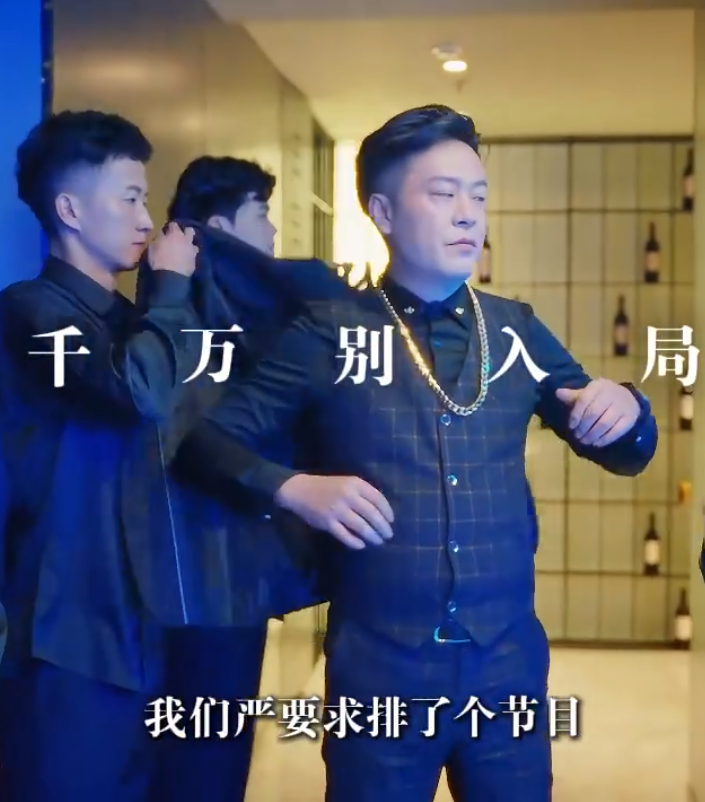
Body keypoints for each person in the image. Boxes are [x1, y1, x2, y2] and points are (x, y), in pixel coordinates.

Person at [178, 105, 658, 802]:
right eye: (442, 194)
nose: (468, 215)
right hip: (378, 672)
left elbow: (622, 450)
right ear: (383, 212)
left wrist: (628, 410)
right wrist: (294, 487)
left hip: (506, 670)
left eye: (478, 196)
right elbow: (203, 444)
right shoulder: (328, 333)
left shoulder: (515, 330)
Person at [144, 155, 359, 802]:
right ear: (217, 227)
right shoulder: (200, 313)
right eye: (260, 214)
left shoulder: (194, 303)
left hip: (206, 573)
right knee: (204, 758)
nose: (271, 232)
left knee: (194, 752)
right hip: (211, 576)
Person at [0, 110, 200, 801]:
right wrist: (170, 290)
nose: (147, 219)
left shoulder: (134, 322)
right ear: (69, 210)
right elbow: (135, 392)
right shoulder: (30, 312)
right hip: (68, 633)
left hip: (141, 622)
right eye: (130, 198)